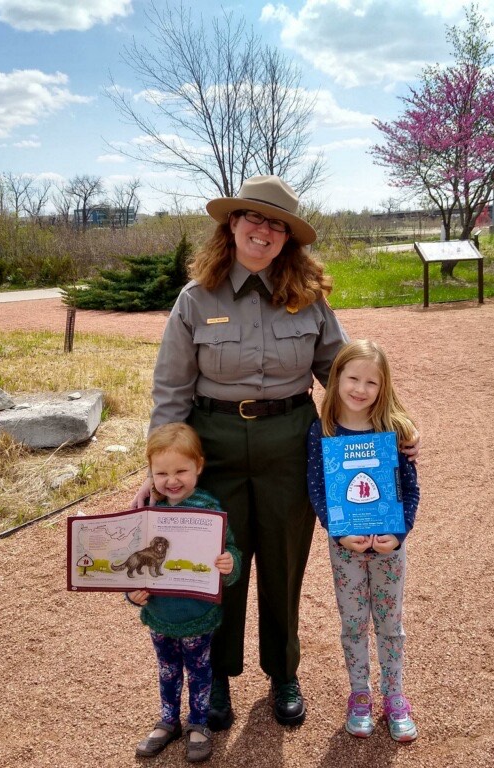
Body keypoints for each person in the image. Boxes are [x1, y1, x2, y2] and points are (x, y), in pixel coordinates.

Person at [134, 175, 346, 730]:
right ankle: (219, 678)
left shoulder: (309, 297)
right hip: (215, 448)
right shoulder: (195, 300)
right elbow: (172, 391)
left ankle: (283, 673)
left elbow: (339, 373)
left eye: (278, 224)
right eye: (254, 217)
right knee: (217, 563)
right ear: (231, 224)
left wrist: (387, 430)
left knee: (283, 561)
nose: (265, 230)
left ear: (289, 239)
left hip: (287, 444)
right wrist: (158, 472)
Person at [305, 339, 421, 743]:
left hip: (390, 546)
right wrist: (338, 531)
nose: (360, 388)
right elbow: (318, 489)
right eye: (352, 378)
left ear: (383, 386)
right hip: (346, 547)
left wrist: (400, 532)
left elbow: (410, 488)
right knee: (353, 623)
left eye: (371, 382)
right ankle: (360, 694)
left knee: (390, 624)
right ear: (336, 378)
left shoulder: (396, 429)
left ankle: (395, 696)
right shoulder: (323, 431)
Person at [128, 422, 241, 763]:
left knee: (200, 671)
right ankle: (168, 720)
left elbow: (230, 550)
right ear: (150, 473)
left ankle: (198, 724)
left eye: (181, 470)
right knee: (167, 669)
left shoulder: (208, 509)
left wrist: (229, 564)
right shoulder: (147, 511)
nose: (172, 480)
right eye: (161, 472)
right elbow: (130, 564)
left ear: (199, 467)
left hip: (198, 615)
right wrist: (131, 594)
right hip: (160, 614)